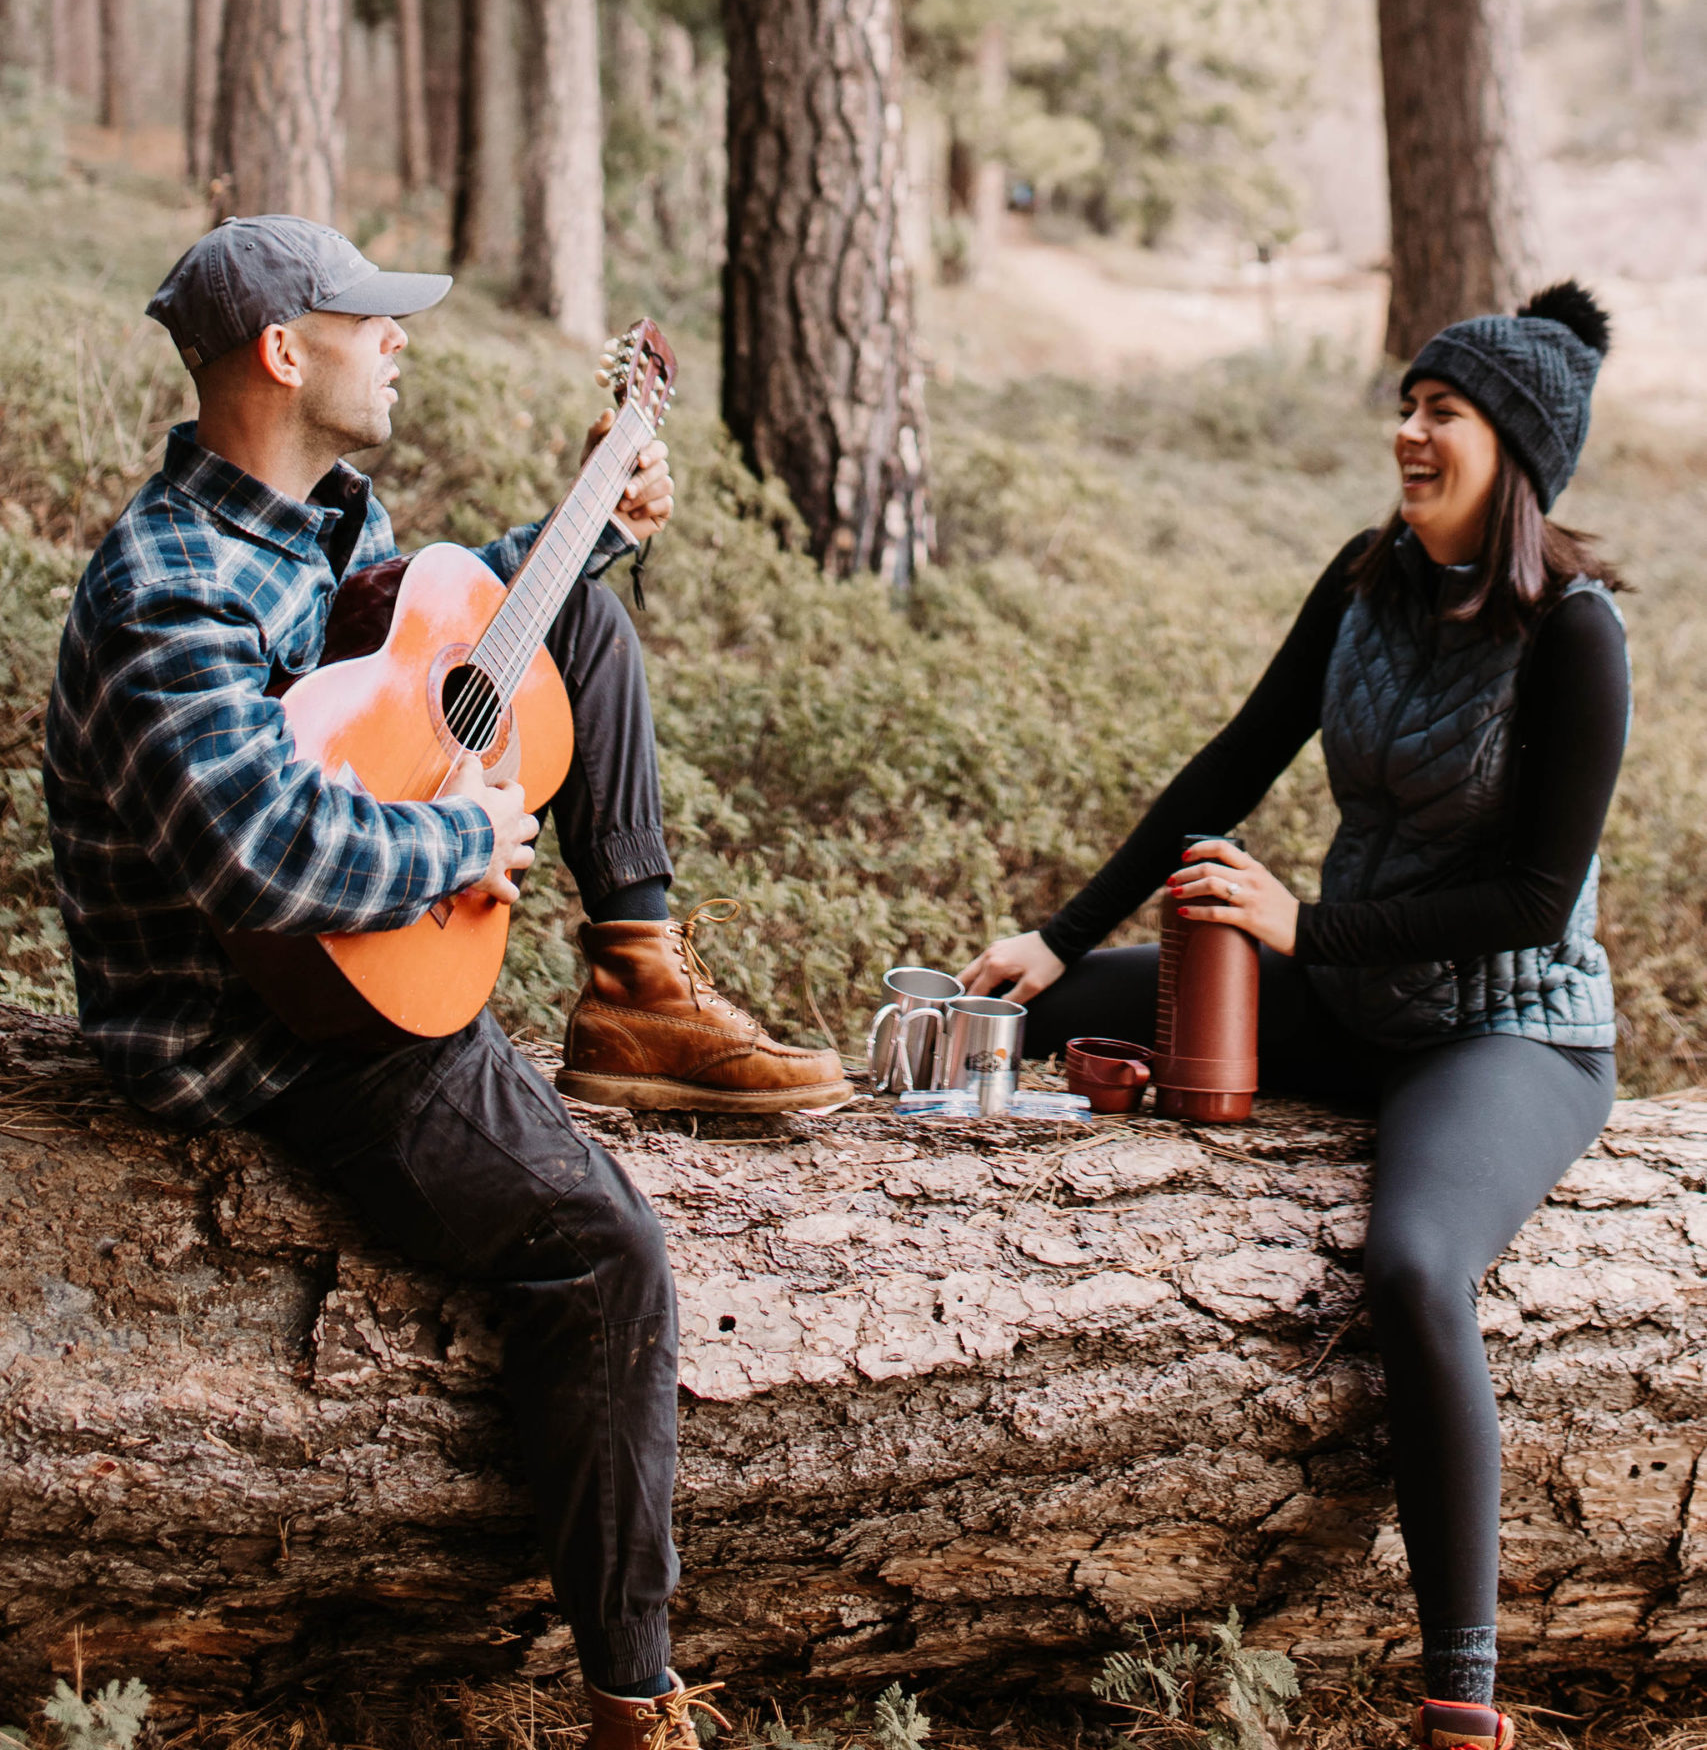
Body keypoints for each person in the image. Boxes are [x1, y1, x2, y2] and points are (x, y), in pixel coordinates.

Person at [45, 215, 847, 1750]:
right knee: (605, 1247)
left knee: (576, 624)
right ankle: (631, 1699)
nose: (402, 336)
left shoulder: (323, 517)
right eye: (372, 318)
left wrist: (587, 528)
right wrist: (455, 838)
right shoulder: (165, 593)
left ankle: (634, 982)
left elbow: (407, 653)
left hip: (367, 960)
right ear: (283, 354)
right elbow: (261, 854)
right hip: (273, 1029)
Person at [963, 282, 1627, 1750]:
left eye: (1441, 413)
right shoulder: (1365, 578)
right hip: (1348, 996)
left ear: (1514, 450)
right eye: (1407, 403)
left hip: (1509, 1032)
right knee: (1050, 1005)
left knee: (1410, 1266)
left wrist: (1300, 928)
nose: (1407, 432)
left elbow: (1530, 899)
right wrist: (1061, 931)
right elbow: (1227, 774)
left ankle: (1463, 1692)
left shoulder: (1576, 637)